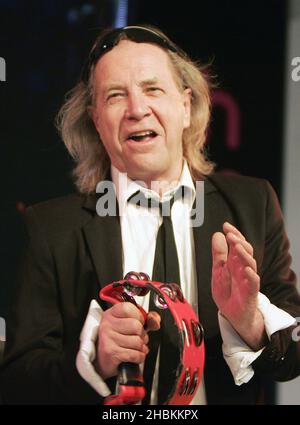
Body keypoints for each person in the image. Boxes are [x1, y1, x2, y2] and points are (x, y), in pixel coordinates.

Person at [1, 24, 300, 405]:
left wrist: (252, 323)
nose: (137, 110)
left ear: (186, 106)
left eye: (152, 89)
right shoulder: (51, 230)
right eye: (115, 96)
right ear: (96, 121)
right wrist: (94, 358)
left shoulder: (252, 204)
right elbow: (16, 384)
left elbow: (292, 355)